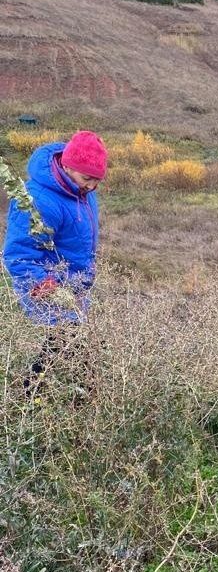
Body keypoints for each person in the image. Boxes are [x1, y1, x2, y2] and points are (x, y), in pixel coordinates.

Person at [3, 130, 108, 392]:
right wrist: (46, 288)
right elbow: (18, 255)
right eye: (87, 178)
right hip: (48, 287)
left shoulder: (81, 188)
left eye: (97, 180)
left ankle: (40, 394)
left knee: (62, 346)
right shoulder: (40, 200)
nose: (92, 186)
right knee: (68, 344)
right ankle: (33, 398)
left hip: (75, 285)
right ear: (67, 165)